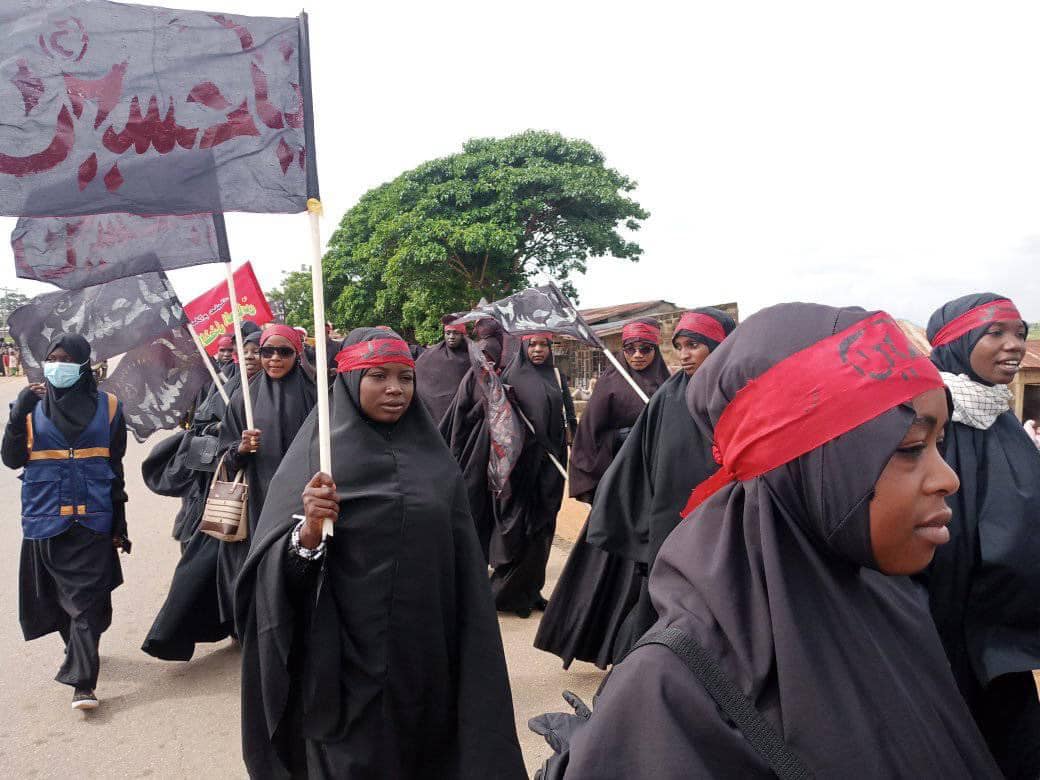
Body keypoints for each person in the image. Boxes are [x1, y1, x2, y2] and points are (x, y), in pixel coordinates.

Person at [532, 303, 1001, 779]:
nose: (949, 479)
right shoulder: (678, 690)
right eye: (910, 447)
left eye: (939, 443)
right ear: (806, 469)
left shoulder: (897, 604)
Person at [234, 328, 526, 779]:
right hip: (343, 662)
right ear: (351, 380)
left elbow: (462, 565)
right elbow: (274, 573)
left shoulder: (436, 463)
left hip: (425, 656)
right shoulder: (317, 459)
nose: (395, 389)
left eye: (405, 378)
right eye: (378, 376)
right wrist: (308, 532)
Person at [921, 293, 1040, 778]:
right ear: (956, 341)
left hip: (999, 629)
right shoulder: (926, 416)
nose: (1014, 345)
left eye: (1021, 333)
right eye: (996, 333)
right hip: (936, 619)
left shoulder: (1003, 420)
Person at [585, 308, 735, 657]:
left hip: (722, 518)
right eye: (679, 346)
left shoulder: (735, 393)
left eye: (694, 345)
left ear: (720, 345)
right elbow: (635, 461)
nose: (684, 355)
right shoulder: (670, 396)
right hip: (672, 519)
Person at [535, 318, 671, 668]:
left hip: (655, 491)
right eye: (630, 349)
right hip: (619, 493)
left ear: (655, 350)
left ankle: (639, 648)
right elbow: (589, 438)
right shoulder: (611, 384)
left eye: (645, 349)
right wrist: (623, 443)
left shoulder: (668, 386)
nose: (637, 355)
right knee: (605, 570)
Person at [2, 334, 129, 710]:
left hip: (93, 519)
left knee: (88, 601)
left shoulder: (109, 407)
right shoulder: (29, 406)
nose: (58, 366)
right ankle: (79, 649)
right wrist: (17, 415)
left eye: (67, 359)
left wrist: (120, 524)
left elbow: (115, 467)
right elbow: (11, 459)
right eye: (52, 359)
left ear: (84, 364)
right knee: (58, 600)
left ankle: (82, 683)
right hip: (45, 516)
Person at [140, 329, 266, 661]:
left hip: (265, 494)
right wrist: (226, 436)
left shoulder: (283, 390)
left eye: (259, 351)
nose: (251, 357)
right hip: (223, 491)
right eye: (245, 351)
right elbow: (198, 428)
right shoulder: (224, 385)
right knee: (204, 563)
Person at [215, 325, 316, 632]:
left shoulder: (316, 396)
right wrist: (240, 448)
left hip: (299, 498)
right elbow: (224, 455)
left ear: (297, 354)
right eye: (267, 351)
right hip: (256, 498)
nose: (274, 359)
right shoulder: (243, 399)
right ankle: (254, 628)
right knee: (255, 563)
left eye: (284, 352)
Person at [491, 332, 576, 617]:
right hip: (522, 465)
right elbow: (499, 422)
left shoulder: (556, 375)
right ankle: (507, 595)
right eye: (533, 345)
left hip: (551, 463)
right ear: (524, 347)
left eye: (544, 345)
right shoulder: (510, 377)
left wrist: (572, 441)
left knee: (544, 525)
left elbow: (569, 414)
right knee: (521, 527)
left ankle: (531, 591)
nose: (538, 350)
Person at [414, 316, 472, 425]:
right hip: (434, 413)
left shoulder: (471, 356)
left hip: (462, 413)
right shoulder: (431, 354)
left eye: (456, 333)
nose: (451, 337)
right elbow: (418, 375)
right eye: (448, 333)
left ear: (463, 335)